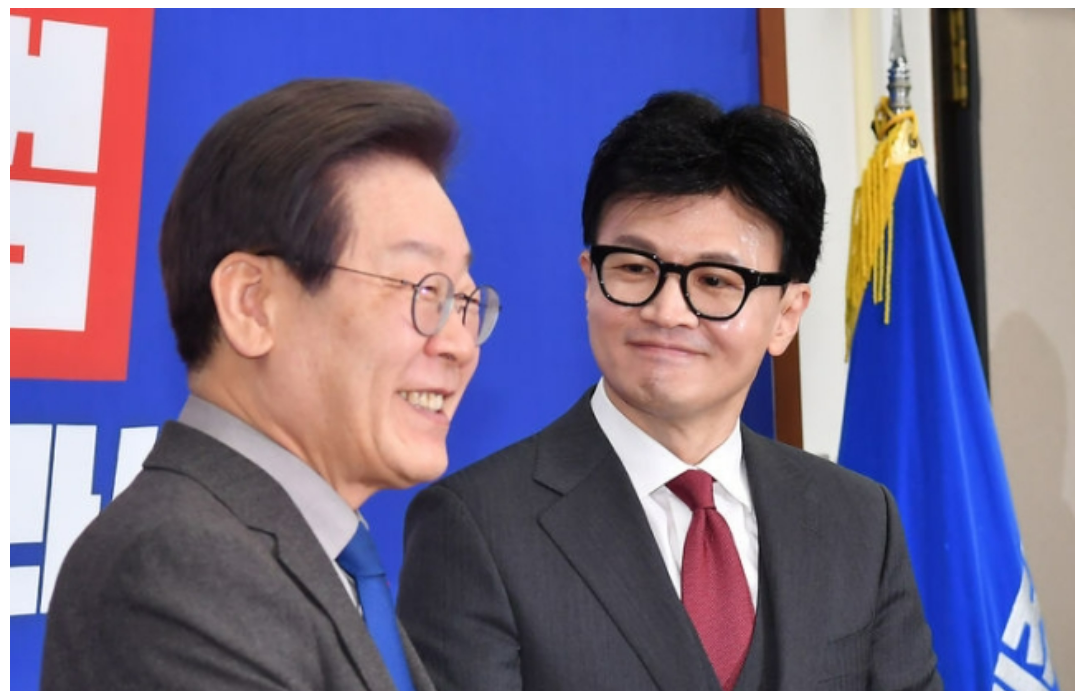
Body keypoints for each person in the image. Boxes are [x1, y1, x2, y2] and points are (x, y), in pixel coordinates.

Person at [396, 91, 942, 691]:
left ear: (787, 315)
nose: (667, 311)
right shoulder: (477, 528)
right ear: (589, 280)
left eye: (715, 281)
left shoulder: (859, 521)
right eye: (635, 268)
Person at [41, 78, 500, 691]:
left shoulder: (323, 558)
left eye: (463, 300)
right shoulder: (176, 568)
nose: (459, 344)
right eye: (421, 290)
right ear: (252, 305)